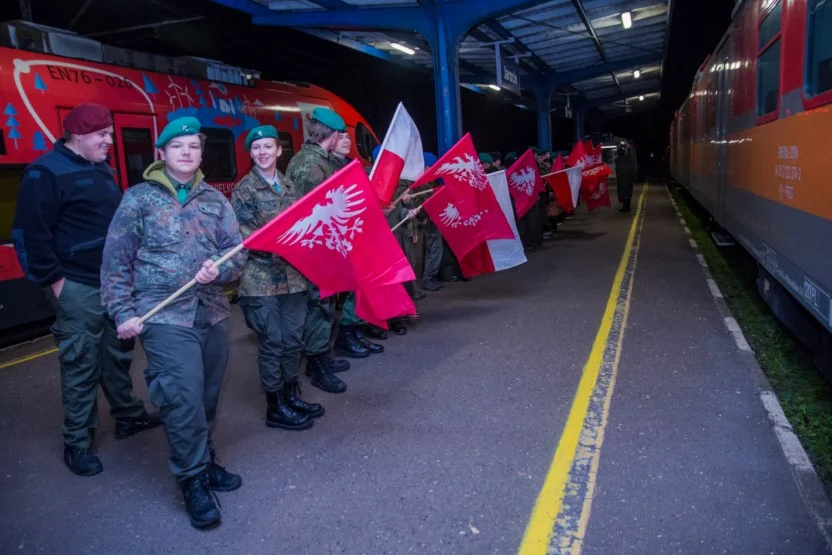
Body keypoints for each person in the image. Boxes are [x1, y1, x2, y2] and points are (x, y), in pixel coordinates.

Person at [101, 117, 246, 528]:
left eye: (194, 147)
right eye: (178, 146)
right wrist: (122, 311)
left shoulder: (216, 201)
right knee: (182, 397)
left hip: (212, 311)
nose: (187, 152)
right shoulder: (139, 200)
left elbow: (238, 253)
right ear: (161, 154)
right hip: (163, 315)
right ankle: (192, 479)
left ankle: (204, 457)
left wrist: (221, 270)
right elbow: (115, 262)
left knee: (208, 396)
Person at [12, 103, 160, 477]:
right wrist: (57, 284)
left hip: (112, 284)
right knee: (81, 363)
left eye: (109, 133)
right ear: (79, 135)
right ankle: (76, 443)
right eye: (103, 135)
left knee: (117, 354)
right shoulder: (44, 173)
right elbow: (31, 236)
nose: (110, 141)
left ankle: (126, 416)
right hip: (77, 285)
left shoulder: (98, 168)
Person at [231, 126, 322, 432]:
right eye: (256, 148)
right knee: (273, 341)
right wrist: (272, 244)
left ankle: (289, 393)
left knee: (293, 339)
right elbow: (240, 232)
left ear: (279, 151)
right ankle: (275, 405)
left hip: (293, 277)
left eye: (268, 146)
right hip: (260, 279)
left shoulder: (290, 186)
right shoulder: (244, 189)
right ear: (251, 153)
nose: (263, 152)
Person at [285, 107, 350, 393]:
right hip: (313, 248)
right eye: (341, 135)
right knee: (317, 305)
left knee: (323, 304)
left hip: (323, 245)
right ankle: (315, 362)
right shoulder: (310, 165)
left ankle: (321, 353)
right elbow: (306, 214)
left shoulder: (319, 162)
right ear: (333, 136)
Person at [330, 133, 384, 357]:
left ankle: (353, 328)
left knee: (361, 285)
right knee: (350, 287)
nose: (346, 140)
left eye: (347, 136)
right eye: (340, 136)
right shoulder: (325, 167)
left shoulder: (351, 166)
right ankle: (345, 334)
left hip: (356, 233)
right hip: (338, 237)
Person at [419, 152, 444, 292]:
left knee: (435, 249)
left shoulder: (429, 181)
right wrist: (424, 218)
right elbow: (422, 202)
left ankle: (432, 277)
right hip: (427, 222)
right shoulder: (421, 182)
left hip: (432, 220)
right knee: (432, 250)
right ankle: (428, 278)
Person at [615, 146, 635, 212]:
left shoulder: (618, 160)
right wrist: (629, 149)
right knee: (628, 193)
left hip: (621, 180)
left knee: (623, 193)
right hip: (629, 179)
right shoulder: (627, 159)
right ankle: (628, 207)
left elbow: (617, 171)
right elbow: (630, 157)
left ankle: (625, 207)